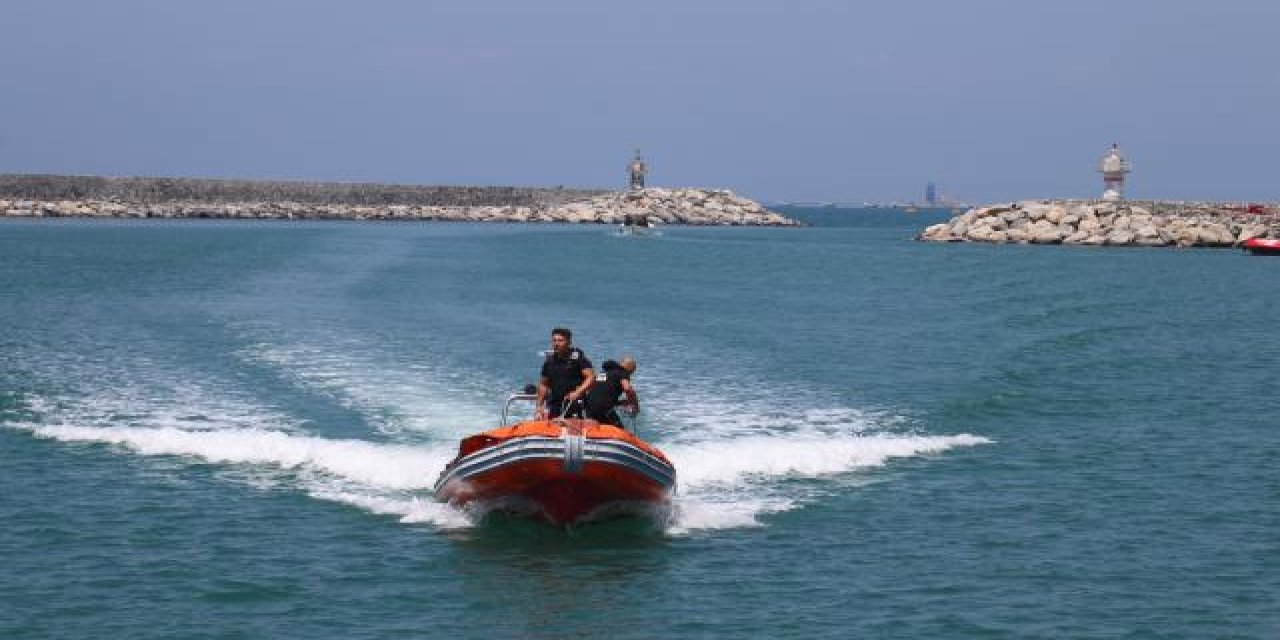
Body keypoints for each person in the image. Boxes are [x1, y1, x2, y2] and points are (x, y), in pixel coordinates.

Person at [535, 327, 594, 419]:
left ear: (569, 342)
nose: (556, 344)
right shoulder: (549, 362)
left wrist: (578, 392)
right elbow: (543, 385)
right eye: (554, 341)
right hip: (555, 406)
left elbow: (591, 377)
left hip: (574, 404)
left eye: (560, 340)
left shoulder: (578, 359)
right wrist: (539, 406)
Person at [583, 357, 639, 427]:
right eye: (631, 372)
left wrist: (619, 402)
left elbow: (600, 394)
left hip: (589, 406)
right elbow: (627, 388)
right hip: (604, 409)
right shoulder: (622, 372)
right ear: (629, 368)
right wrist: (634, 403)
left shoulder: (603, 373)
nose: (630, 375)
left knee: (593, 430)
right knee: (619, 430)